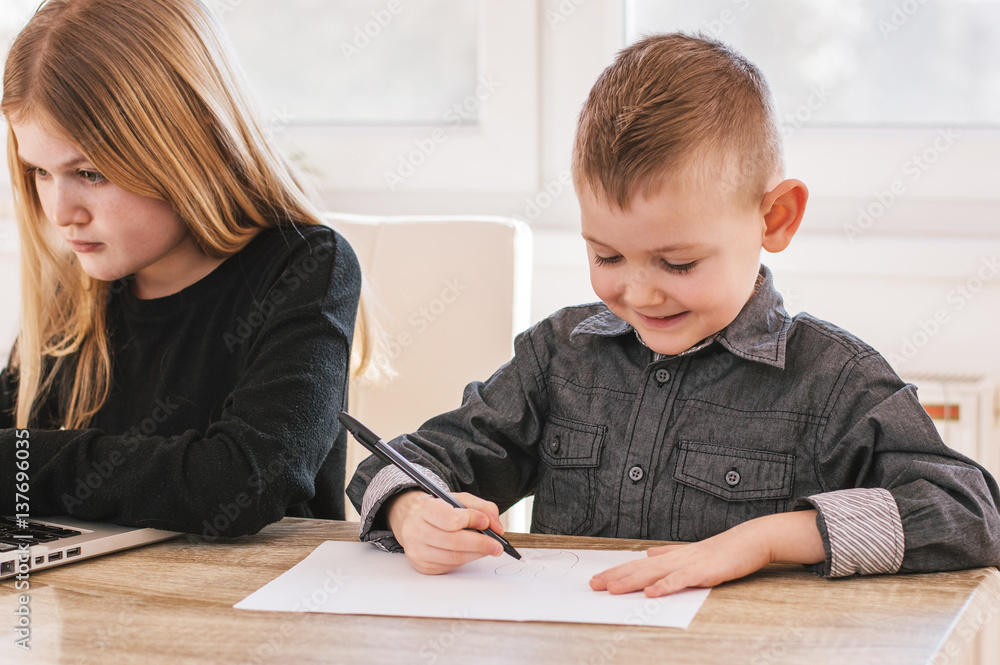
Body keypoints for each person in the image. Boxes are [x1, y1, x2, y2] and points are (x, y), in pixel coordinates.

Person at [348, 33, 1000, 596]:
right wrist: (412, 510)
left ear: (775, 218)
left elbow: (972, 512)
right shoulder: (559, 355)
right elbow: (403, 458)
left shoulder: (833, 379)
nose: (640, 293)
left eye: (678, 264)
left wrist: (772, 538)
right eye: (606, 255)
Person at [0, 0, 375, 536]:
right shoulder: (81, 285)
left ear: (189, 141)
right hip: (102, 607)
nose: (60, 213)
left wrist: (28, 463)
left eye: (90, 172)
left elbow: (244, 482)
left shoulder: (306, 267)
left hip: (257, 607)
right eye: (39, 171)